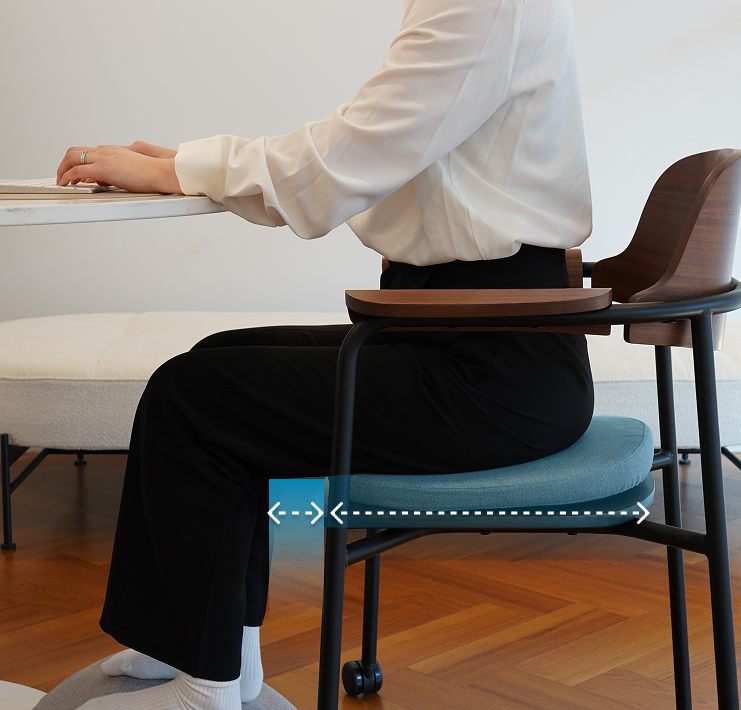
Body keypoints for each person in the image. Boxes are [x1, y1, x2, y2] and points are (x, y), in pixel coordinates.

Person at [57, 0, 593, 708]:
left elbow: (352, 153)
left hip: (493, 368)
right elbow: (366, 143)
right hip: (460, 335)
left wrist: (187, 168)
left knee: (198, 396)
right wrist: (187, 166)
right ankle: (214, 657)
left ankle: (204, 690)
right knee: (214, 365)